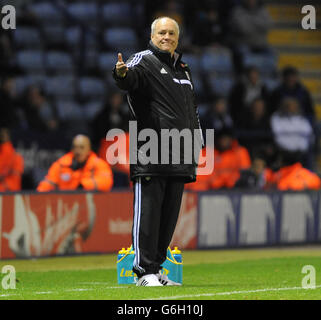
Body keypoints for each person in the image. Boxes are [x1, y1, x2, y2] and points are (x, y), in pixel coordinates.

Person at [113, 17, 203, 286]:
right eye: (162, 32)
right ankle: (142, 271)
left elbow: (193, 109)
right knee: (149, 214)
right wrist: (120, 73)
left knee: (168, 217)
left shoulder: (183, 68)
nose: (167, 36)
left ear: (178, 36)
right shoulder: (144, 60)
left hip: (181, 154)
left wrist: (197, 139)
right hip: (151, 151)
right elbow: (128, 78)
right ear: (152, 35)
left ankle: (157, 269)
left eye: (172, 32)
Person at [37, 135, 113, 192]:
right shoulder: (61, 164)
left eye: (82, 147)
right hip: (65, 203)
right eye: (75, 147)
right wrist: (38, 194)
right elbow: (48, 182)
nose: (78, 151)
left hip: (88, 202)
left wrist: (83, 185)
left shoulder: (98, 164)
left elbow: (106, 182)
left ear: (89, 149)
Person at [0, 127, 24, 192]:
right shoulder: (15, 154)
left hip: (7, 190)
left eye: (3, 135)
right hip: (12, 190)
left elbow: (4, 172)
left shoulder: (7, 151)